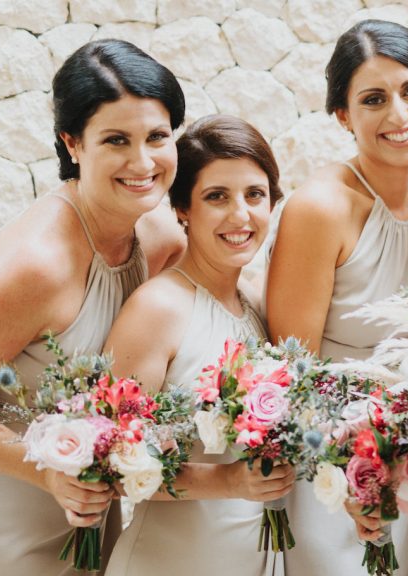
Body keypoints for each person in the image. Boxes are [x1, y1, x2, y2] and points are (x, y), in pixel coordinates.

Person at [0, 39, 186, 574]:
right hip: (3, 516)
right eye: (116, 140)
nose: (143, 162)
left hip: (94, 512)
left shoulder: (162, 237)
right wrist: (47, 471)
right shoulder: (39, 266)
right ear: (71, 143)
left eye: (157, 137)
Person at [265, 20, 408, 575]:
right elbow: (291, 368)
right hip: (335, 478)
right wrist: (351, 476)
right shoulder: (321, 209)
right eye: (374, 99)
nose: (399, 115)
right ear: (344, 115)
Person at [101, 114, 293, 575]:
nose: (240, 215)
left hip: (252, 554)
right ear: (182, 209)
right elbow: (109, 465)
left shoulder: (256, 301)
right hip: (172, 559)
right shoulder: (158, 309)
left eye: (254, 195)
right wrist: (226, 480)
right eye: (216, 197)